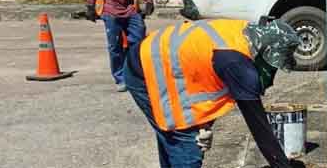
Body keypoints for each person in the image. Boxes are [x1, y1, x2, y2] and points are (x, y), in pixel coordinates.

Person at [124, 15, 305, 168]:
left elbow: (206, 78)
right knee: (186, 143)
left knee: (174, 139)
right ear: (266, 53)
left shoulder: (245, 34)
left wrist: (205, 124)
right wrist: (282, 165)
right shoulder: (238, 64)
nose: (272, 71)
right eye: (273, 65)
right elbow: (259, 128)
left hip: (154, 61)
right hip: (148, 70)